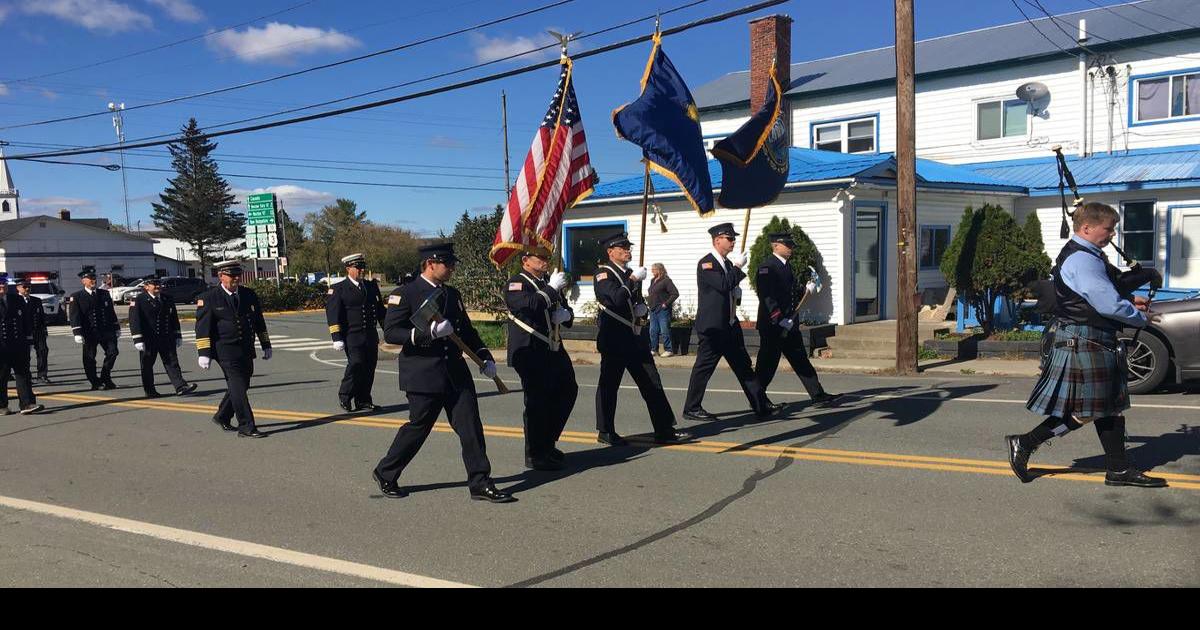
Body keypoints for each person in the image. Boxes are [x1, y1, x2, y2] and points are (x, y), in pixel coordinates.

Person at [1008, 202, 1166, 488]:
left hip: (1090, 337)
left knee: (1108, 407)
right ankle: (1026, 442)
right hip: (1083, 339)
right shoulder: (1082, 260)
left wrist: (1130, 301)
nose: (1112, 234)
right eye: (1108, 229)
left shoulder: (1088, 255)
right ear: (1087, 228)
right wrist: (1139, 318)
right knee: (1090, 410)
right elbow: (1105, 302)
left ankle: (1118, 469)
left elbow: (1092, 294)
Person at [373, 243, 514, 503]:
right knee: (419, 428)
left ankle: (480, 482)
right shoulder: (405, 293)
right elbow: (392, 332)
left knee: (471, 427)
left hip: (455, 373)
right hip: (423, 373)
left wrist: (484, 356)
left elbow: (467, 331)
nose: (452, 268)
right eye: (448, 264)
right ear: (430, 264)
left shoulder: (452, 294)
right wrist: (427, 333)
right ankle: (385, 472)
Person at [593, 232, 690, 446]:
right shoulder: (603, 274)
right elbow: (616, 298)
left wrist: (642, 309)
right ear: (611, 252)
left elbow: (632, 303)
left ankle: (664, 428)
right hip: (615, 339)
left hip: (635, 338)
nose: (627, 250)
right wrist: (634, 280)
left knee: (651, 382)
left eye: (628, 247)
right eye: (622, 247)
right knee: (609, 386)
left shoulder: (628, 273)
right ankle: (606, 430)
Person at [682, 223, 778, 421]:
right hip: (713, 328)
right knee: (704, 368)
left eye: (734, 238)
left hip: (730, 325)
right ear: (717, 240)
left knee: (744, 367)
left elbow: (728, 289)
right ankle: (691, 407)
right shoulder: (706, 263)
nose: (733, 241)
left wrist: (737, 293)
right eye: (729, 238)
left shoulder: (725, 264)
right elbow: (723, 284)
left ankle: (761, 405)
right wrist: (737, 267)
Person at [505, 245, 577, 471]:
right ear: (526, 260)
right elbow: (530, 305)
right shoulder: (516, 283)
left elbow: (565, 312)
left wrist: (565, 316)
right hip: (530, 349)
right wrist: (552, 289)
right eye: (541, 258)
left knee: (568, 390)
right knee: (537, 402)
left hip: (552, 347)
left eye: (548, 257)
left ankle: (547, 442)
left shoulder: (548, 283)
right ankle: (535, 453)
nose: (546, 261)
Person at [753, 232, 839, 406]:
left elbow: (791, 293)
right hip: (773, 325)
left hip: (790, 324)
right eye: (788, 245)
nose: (791, 248)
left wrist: (807, 289)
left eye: (791, 245)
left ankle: (818, 395)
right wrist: (778, 319)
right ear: (776, 245)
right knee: (767, 365)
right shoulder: (767, 267)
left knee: (801, 361)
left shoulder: (786, 266)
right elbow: (767, 297)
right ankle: (757, 400)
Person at [195, 261, 272, 438]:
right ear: (221, 276)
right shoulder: (209, 298)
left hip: (245, 348)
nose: (236, 278)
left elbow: (258, 321)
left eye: (238, 274)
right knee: (237, 385)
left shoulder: (248, 294)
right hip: (225, 350)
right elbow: (202, 327)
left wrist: (266, 344)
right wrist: (204, 353)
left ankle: (222, 415)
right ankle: (246, 426)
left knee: (242, 385)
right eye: (232, 275)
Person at [326, 253, 387, 413]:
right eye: (357, 267)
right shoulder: (339, 289)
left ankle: (363, 399)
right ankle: (345, 395)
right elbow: (333, 314)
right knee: (356, 364)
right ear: (348, 269)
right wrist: (336, 337)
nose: (361, 270)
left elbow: (380, 311)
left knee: (369, 367)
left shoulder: (371, 286)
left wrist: (389, 329)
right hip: (352, 335)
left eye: (362, 267)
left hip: (370, 335)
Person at [129, 276, 196, 398]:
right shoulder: (139, 300)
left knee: (172, 362)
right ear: (146, 287)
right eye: (154, 284)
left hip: (166, 337)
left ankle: (180, 386)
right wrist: (137, 339)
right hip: (149, 339)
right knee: (147, 365)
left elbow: (173, 318)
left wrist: (177, 335)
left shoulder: (167, 298)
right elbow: (135, 320)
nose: (158, 287)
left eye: (159, 284)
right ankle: (150, 390)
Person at [68, 266, 120, 390]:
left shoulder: (104, 293)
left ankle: (105, 376)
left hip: (106, 330)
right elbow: (74, 315)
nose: (93, 281)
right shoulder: (77, 296)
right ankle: (95, 382)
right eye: (90, 278)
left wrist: (116, 327)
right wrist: (77, 332)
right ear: (83, 281)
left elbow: (111, 312)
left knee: (113, 352)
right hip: (89, 332)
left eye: (94, 278)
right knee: (90, 358)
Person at [0, 275, 43, 415]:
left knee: (23, 374)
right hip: (1, 346)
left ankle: (26, 404)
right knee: (2, 376)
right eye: (0, 284)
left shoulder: (16, 299)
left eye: (4, 283)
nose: (2, 286)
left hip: (18, 344)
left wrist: (29, 340)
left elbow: (25, 321)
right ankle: (2, 406)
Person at [16, 279, 50, 384]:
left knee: (43, 351)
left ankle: (42, 375)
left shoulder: (36, 300)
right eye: (24, 287)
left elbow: (41, 317)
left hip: (37, 331)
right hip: (23, 333)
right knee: (25, 355)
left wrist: (44, 329)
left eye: (29, 287)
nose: (27, 289)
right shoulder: (15, 300)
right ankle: (27, 376)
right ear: (18, 288)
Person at [647, 262, 679, 357]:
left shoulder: (666, 281)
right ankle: (654, 349)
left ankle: (669, 349)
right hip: (653, 309)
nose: (652, 271)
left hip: (662, 310)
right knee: (653, 330)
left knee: (664, 329)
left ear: (660, 270)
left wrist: (666, 304)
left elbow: (675, 293)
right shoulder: (653, 280)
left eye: (654, 269)